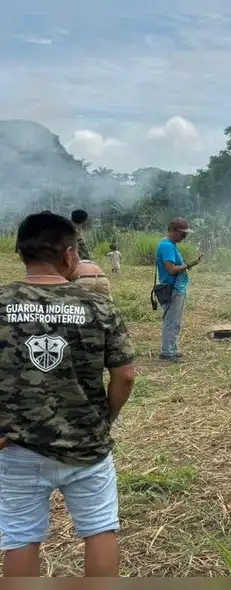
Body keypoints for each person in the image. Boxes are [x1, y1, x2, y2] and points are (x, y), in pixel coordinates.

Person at [0, 212, 136, 577]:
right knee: (99, 530)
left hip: (16, 445)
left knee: (21, 538)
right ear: (71, 255)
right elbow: (124, 375)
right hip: (86, 444)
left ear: (20, 252)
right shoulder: (98, 306)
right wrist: (105, 418)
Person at [155, 218, 203, 362]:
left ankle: (172, 349)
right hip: (172, 288)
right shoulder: (167, 246)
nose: (184, 237)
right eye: (183, 234)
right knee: (172, 321)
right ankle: (167, 352)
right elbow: (171, 269)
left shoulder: (170, 245)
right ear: (175, 231)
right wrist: (190, 264)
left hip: (175, 288)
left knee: (175, 320)